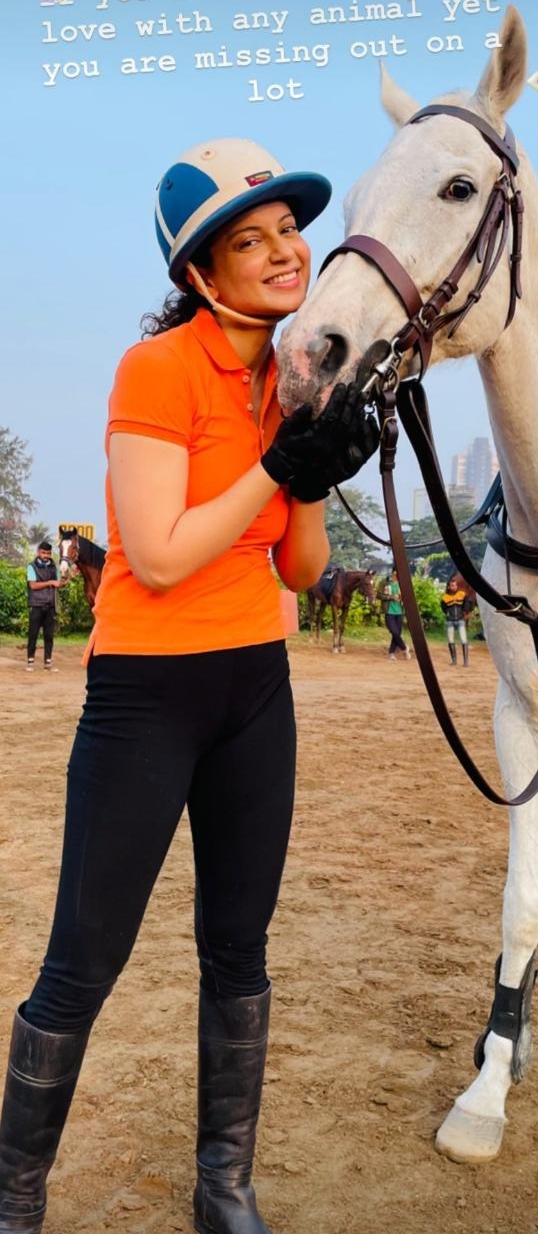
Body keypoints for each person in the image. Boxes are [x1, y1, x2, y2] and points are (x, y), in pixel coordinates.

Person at [0, 137, 379, 1234]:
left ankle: (224, 1185)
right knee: (84, 957)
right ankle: (15, 1198)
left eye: (287, 231)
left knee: (240, 946)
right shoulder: (155, 372)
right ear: (200, 277)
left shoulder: (295, 376)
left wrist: (313, 457)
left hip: (257, 687)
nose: (280, 251)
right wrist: (275, 465)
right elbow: (159, 553)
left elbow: (303, 571)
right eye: (246, 241)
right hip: (148, 694)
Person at [25, 540, 63, 671]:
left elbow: (58, 583)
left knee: (49, 636)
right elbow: (33, 585)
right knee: (33, 635)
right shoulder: (31, 566)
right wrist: (50, 582)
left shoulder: (54, 567)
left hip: (50, 606)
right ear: (38, 552)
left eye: (48, 553)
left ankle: (48, 663)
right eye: (43, 552)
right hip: (36, 605)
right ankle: (30, 662)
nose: (46, 555)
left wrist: (67, 578)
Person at [441, 574, 473, 667]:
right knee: (451, 641)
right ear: (449, 586)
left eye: (455, 585)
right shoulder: (445, 597)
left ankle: (465, 661)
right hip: (450, 621)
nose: (453, 587)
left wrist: (465, 611)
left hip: (460, 620)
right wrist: (448, 614)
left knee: (464, 640)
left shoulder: (462, 595)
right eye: (452, 585)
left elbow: (468, 602)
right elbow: (443, 608)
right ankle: (454, 660)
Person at [384, 567, 410, 660]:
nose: (395, 576)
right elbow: (379, 595)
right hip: (389, 612)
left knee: (397, 633)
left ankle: (391, 653)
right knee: (394, 632)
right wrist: (390, 597)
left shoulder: (402, 584)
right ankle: (404, 648)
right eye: (394, 574)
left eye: (396, 575)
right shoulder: (385, 583)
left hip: (400, 612)